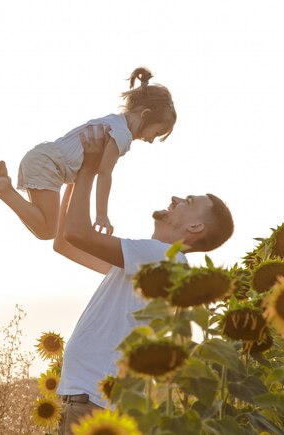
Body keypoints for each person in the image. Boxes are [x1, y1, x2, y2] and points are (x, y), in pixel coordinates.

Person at [53, 126, 234, 434]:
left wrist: (88, 169)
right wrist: (74, 181)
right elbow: (65, 243)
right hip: (86, 400)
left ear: (195, 226)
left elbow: (76, 233)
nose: (176, 197)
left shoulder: (163, 257)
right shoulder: (146, 263)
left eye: (188, 200)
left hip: (95, 405)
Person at [0, 67, 176, 240]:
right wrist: (101, 214)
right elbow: (104, 173)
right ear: (145, 114)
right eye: (155, 133)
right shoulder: (122, 134)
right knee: (47, 230)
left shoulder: (114, 122)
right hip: (50, 164)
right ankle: (5, 190)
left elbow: (90, 167)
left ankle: (4, 187)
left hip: (45, 160)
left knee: (47, 227)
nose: (150, 140)